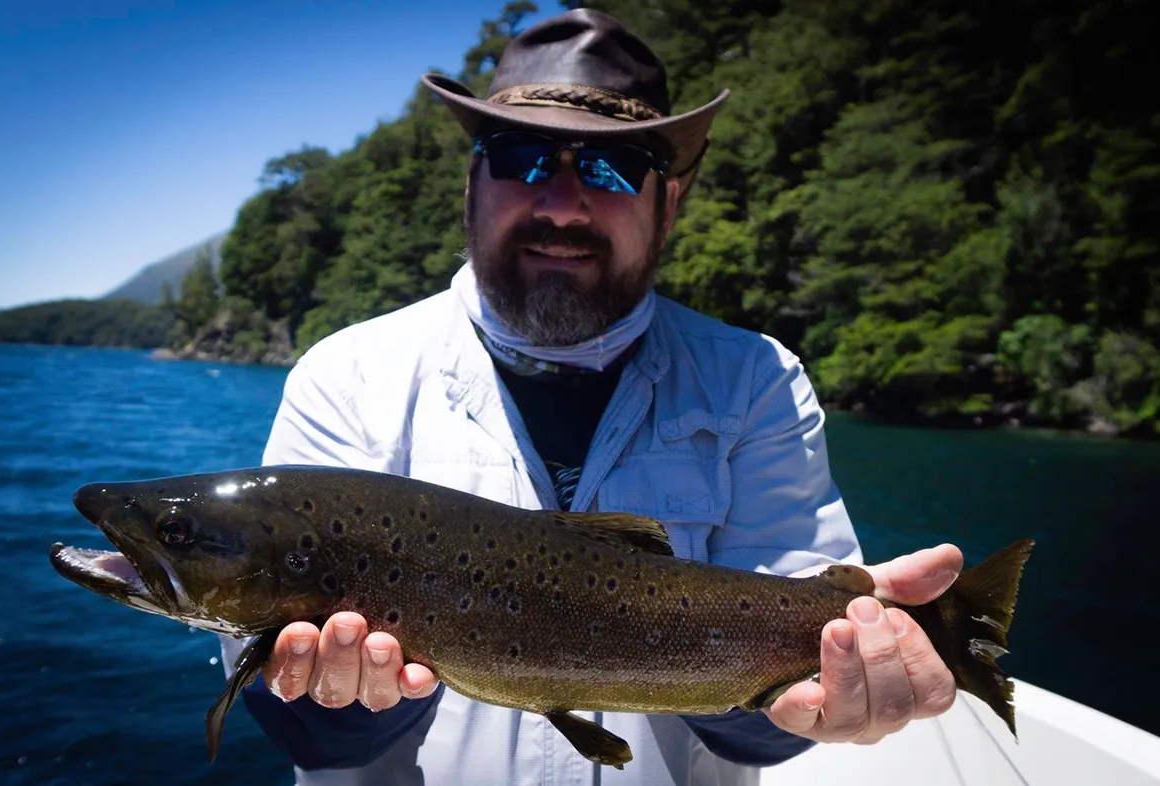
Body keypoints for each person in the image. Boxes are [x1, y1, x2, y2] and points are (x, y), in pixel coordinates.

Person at [218, 9, 963, 785]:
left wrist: (821, 687)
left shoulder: (758, 381)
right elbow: (313, 739)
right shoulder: (347, 374)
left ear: (667, 204)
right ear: (471, 182)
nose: (564, 205)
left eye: (612, 168)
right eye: (522, 157)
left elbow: (769, 733)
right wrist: (336, 697)